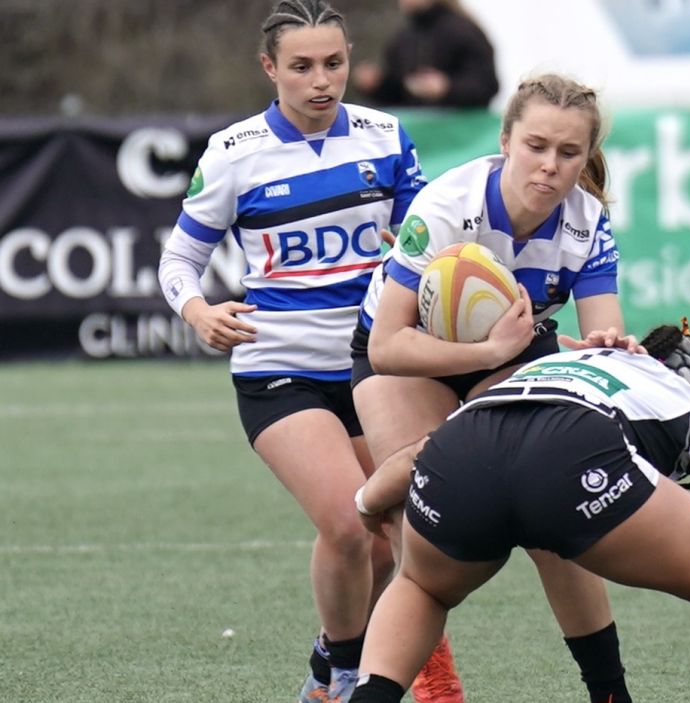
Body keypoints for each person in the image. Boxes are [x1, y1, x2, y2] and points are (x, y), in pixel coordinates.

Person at [154, 2, 447, 701]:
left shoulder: (384, 135)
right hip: (278, 367)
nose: (322, 80)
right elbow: (178, 260)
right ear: (269, 68)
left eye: (335, 62)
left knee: (393, 535)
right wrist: (197, 310)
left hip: (371, 365)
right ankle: (347, 675)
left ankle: (326, 661)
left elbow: (425, 237)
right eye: (302, 66)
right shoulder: (233, 151)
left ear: (350, 57)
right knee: (350, 525)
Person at [349, 73, 638, 703]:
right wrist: (488, 351)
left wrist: (618, 354)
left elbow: (599, 342)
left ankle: (611, 694)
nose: (550, 165)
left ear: (586, 159)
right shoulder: (447, 207)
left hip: (509, 359)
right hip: (410, 358)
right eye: (536, 145)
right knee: (420, 520)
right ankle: (428, 684)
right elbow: (385, 346)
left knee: (554, 519)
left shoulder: (588, 224)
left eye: (569, 153)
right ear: (506, 140)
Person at [347, 322, 690, 703]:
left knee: (422, 587)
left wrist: (367, 504)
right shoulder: (684, 397)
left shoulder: (552, 368)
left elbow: (418, 455)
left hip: (463, 444)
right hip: (575, 452)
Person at [351, 0, 499, 109]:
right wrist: (377, 85)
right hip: (417, 131)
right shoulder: (402, 40)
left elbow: (488, 85)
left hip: (459, 132)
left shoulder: (464, 31)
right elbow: (398, 92)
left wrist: (446, 88)